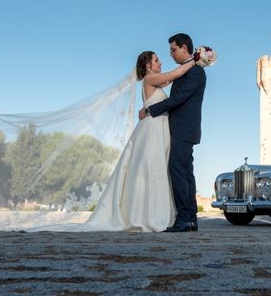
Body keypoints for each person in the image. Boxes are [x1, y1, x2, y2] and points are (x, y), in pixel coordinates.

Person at [83, 51, 195, 232]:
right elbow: (174, 75)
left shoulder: (157, 82)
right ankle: (147, 215)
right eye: (157, 60)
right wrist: (195, 61)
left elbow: (171, 80)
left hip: (160, 128)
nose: (161, 62)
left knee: (160, 167)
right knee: (151, 167)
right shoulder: (150, 79)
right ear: (148, 66)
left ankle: (159, 213)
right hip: (152, 130)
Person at [139, 33, 206, 233]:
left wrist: (150, 110)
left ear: (184, 48)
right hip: (181, 129)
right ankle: (190, 218)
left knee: (177, 169)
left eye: (173, 50)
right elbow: (169, 81)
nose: (171, 54)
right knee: (184, 171)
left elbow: (178, 99)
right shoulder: (188, 70)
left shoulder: (195, 73)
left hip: (184, 129)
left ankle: (185, 218)